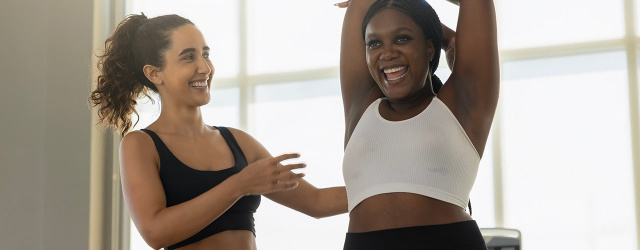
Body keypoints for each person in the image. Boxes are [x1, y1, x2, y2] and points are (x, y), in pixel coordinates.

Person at [89, 13, 347, 250]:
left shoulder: (238, 142)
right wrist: (239, 184)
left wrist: (384, 186)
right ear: (155, 73)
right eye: (189, 57)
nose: (205, 67)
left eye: (206, 54)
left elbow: (317, 201)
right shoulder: (141, 145)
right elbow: (156, 233)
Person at [337, 0, 498, 249]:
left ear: (430, 48)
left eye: (402, 38)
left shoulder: (463, 104)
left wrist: (442, 35)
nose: (387, 53)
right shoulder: (360, 106)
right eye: (375, 43)